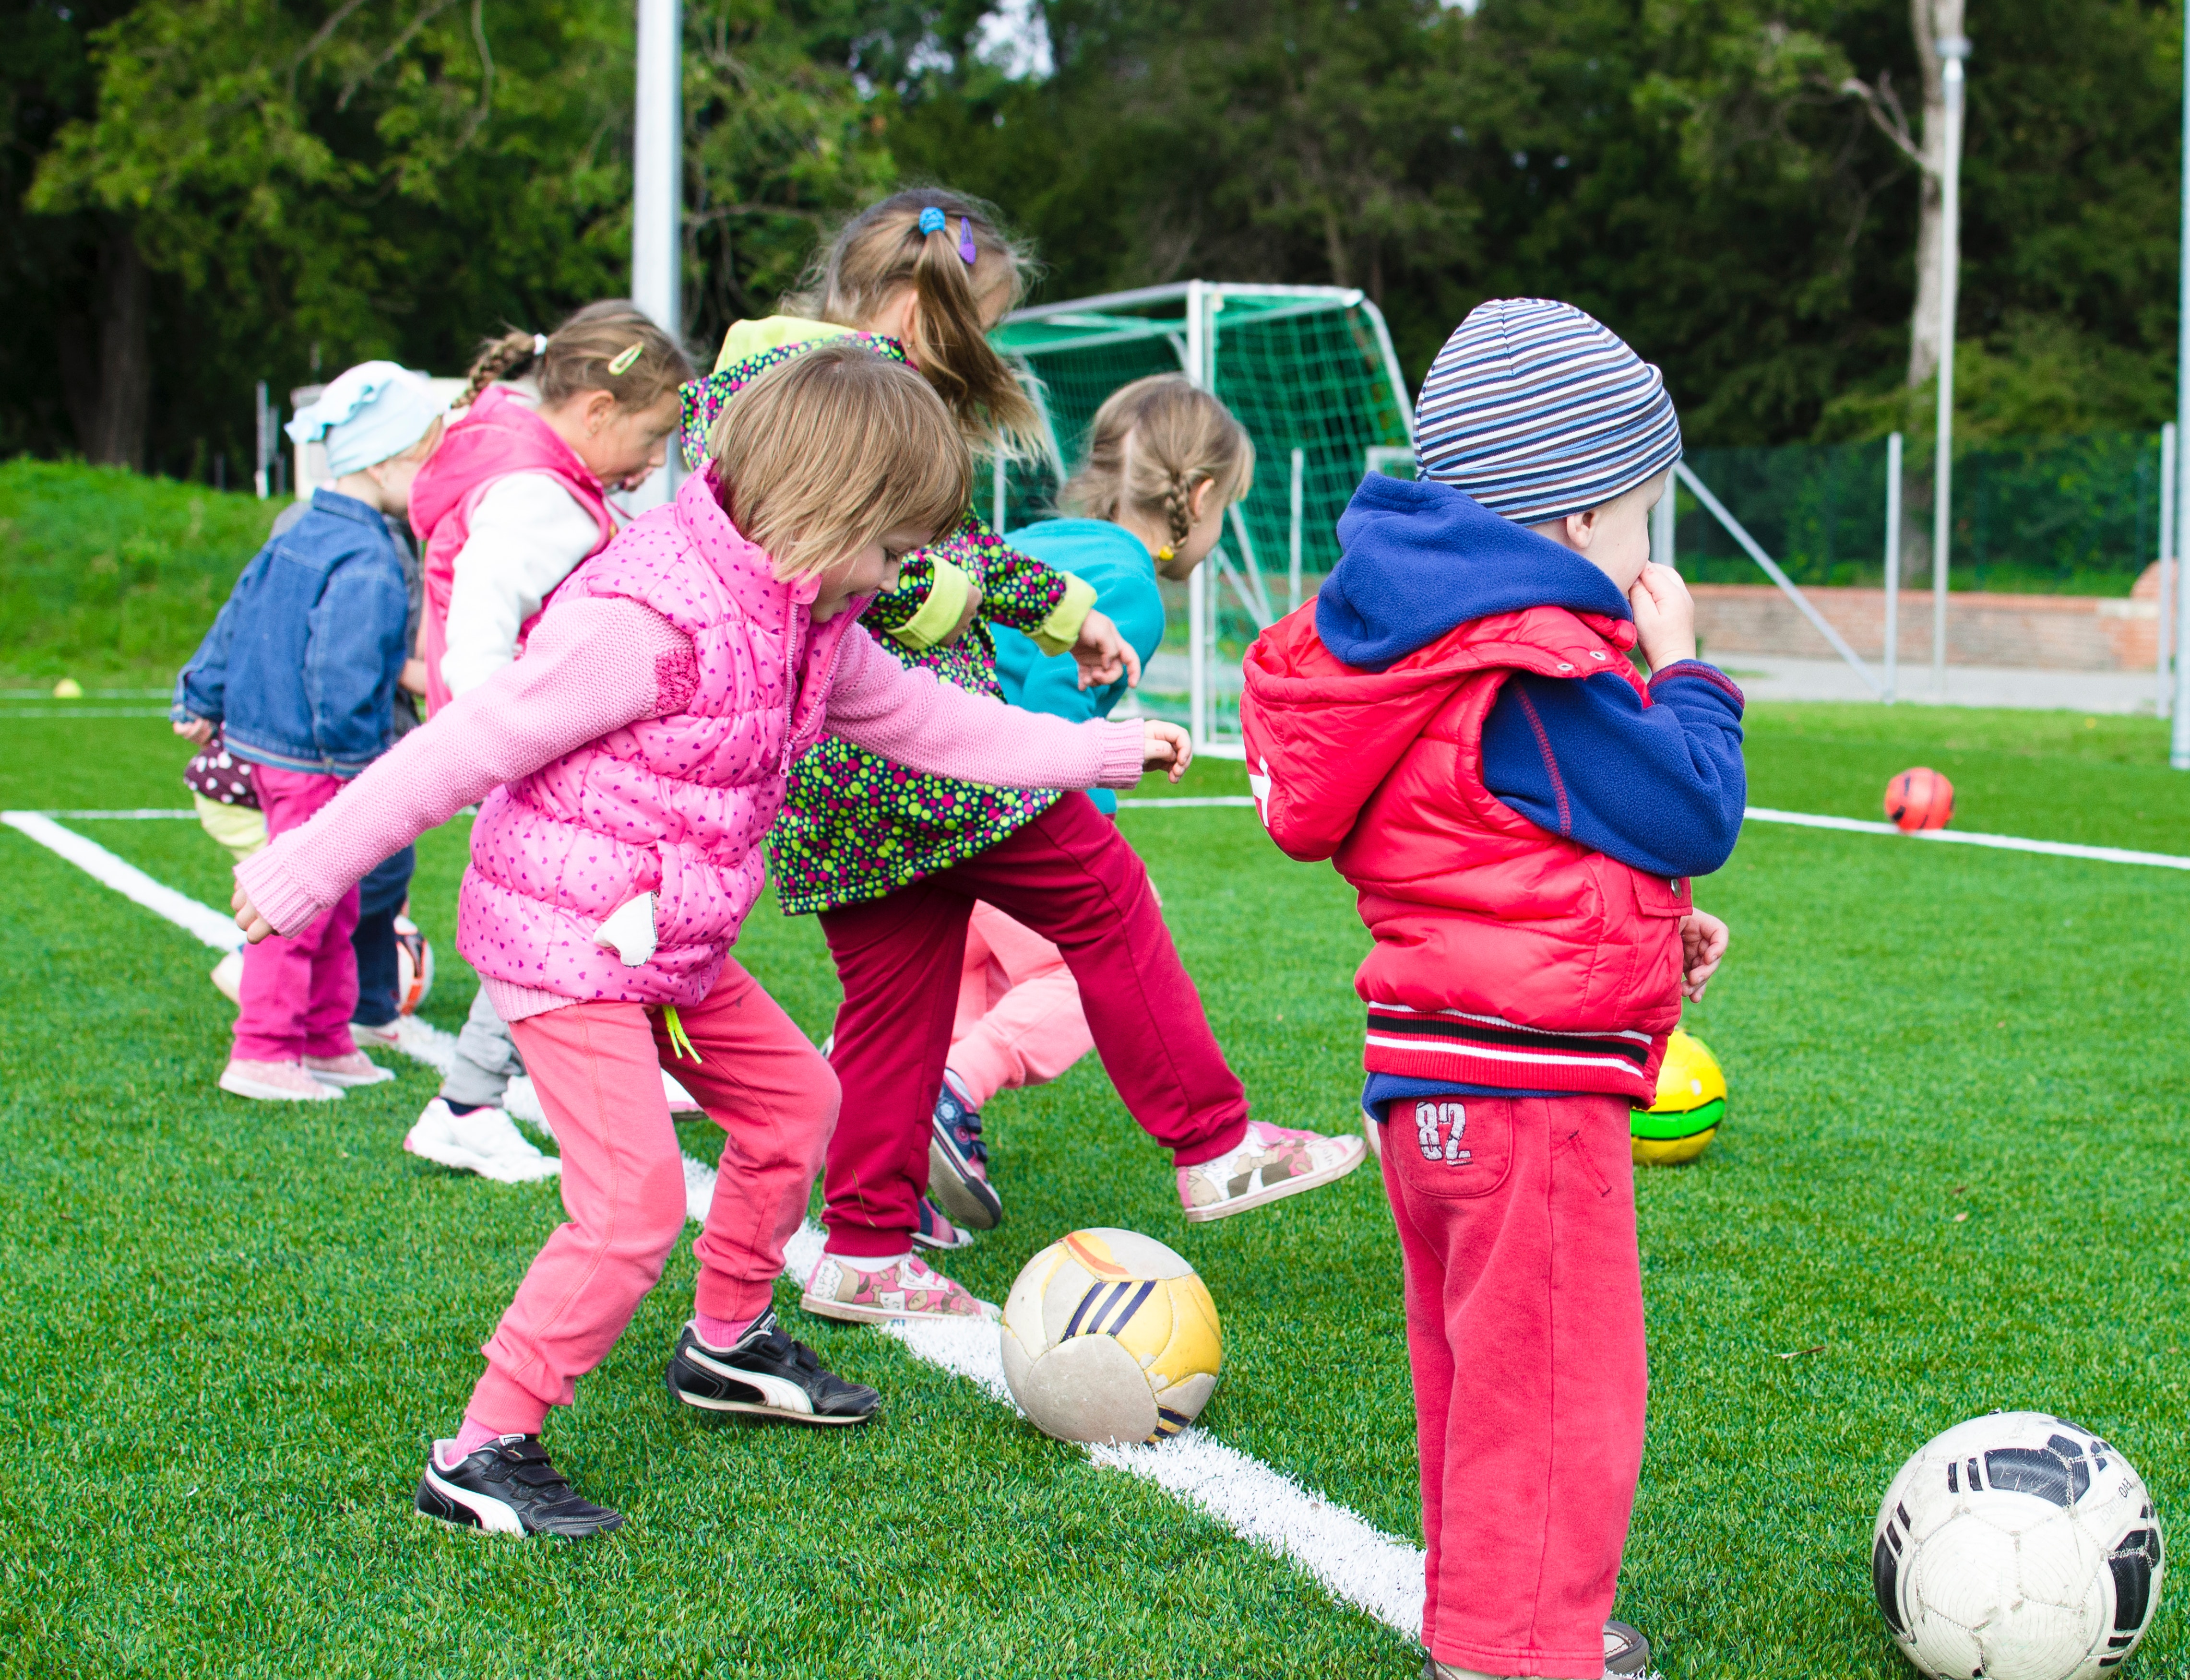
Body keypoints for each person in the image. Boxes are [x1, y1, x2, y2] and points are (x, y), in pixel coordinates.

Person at [229, 343, 1194, 1538]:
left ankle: (728, 1344)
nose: (904, 578)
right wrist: (306, 865)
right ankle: (481, 1450)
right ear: (828, 511)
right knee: (631, 1205)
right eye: (896, 550)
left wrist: (1097, 751)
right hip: (568, 945)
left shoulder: (809, 614)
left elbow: (928, 722)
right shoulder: (646, 620)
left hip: (670, 944)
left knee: (800, 1105)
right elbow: (465, 746)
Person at [682, 188, 1360, 1329]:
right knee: (1103, 893)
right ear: (912, 304)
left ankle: (863, 1246)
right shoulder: (833, 394)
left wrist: (1066, 615)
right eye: (973, 327)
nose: (978, 356)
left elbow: (949, 544)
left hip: (834, 780)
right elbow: (875, 571)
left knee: (899, 1002)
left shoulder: (768, 380)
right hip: (922, 754)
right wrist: (968, 614)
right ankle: (1214, 1141)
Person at [1242, 298, 1747, 1680]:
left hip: (1442, 1073)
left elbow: (1501, 847)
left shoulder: (1428, 645)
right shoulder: (1533, 661)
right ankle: (1517, 1656)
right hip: (1524, 1093)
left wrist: (1652, 937)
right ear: (1580, 509)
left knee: (1482, 1366)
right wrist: (1688, 668)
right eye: (1645, 514)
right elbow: (1692, 800)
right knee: (1557, 1370)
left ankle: (1500, 1604)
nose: (1652, 551)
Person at [919, 374, 1252, 1236]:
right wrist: (1087, 847)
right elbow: (1050, 726)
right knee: (1085, 962)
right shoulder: (1129, 587)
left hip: (917, 802)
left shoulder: (1032, 541)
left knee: (959, 977)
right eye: (1230, 508)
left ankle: (896, 1148)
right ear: (1201, 496)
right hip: (995, 808)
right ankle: (955, 1089)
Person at [396, 301, 699, 1185]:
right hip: (532, 752)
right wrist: (510, 741)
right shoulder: (539, 499)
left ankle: (495, 1092)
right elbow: (481, 635)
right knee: (563, 922)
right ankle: (467, 1102)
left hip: (532, 747)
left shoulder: (541, 474)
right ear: (597, 412)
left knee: (574, 917)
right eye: (650, 439)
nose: (653, 467)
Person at [174, 362, 443, 1104]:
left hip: (282, 746)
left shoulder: (304, 526)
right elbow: (342, 667)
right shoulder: (369, 554)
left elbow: (238, 609)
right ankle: (262, 1049)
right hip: (319, 759)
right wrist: (362, 766)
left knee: (339, 901)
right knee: (300, 904)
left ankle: (326, 1038)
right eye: (428, 458)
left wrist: (201, 689)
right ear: (387, 461)